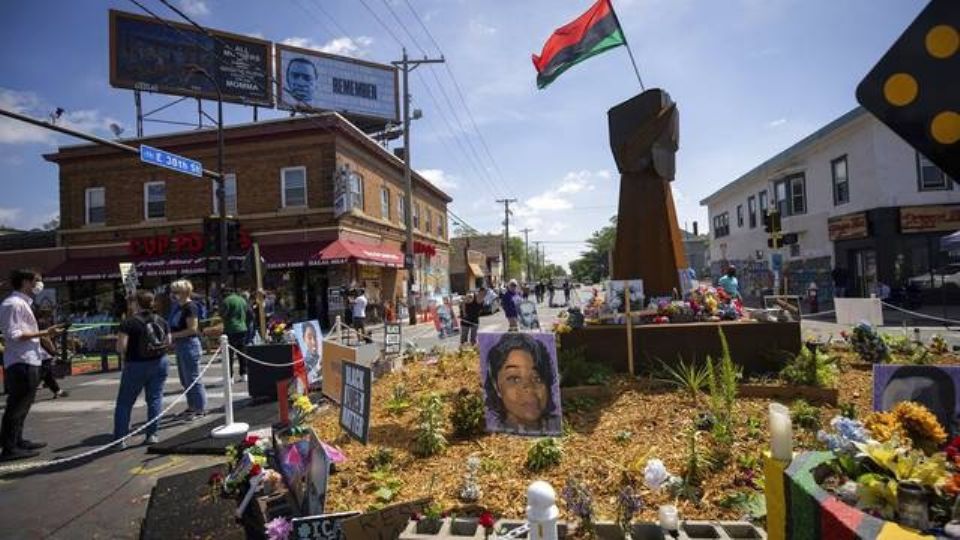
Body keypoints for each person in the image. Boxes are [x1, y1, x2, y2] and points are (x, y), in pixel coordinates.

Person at [0, 269, 65, 461]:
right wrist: (45, 333)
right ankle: (9, 447)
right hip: (21, 361)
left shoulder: (22, 304)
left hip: (30, 359)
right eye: (37, 281)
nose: (40, 285)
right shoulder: (12, 304)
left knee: (24, 405)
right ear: (25, 282)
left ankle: (18, 441)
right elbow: (15, 335)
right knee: (16, 406)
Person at [113, 291, 170, 447]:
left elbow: (120, 347)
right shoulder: (162, 320)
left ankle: (120, 439)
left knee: (124, 403)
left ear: (136, 304)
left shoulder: (129, 323)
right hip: (159, 362)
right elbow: (168, 341)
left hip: (135, 364)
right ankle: (152, 434)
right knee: (155, 399)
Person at [482, 332, 560, 436]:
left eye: (537, 378)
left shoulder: (556, 426)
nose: (528, 387)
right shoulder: (496, 434)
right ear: (496, 385)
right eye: (514, 379)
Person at [169, 279, 206, 420]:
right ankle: (192, 407)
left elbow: (192, 329)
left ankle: (200, 408)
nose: (173, 295)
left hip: (189, 344)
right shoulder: (177, 307)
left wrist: (172, 335)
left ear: (184, 292)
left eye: (176, 292)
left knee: (193, 378)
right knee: (185, 379)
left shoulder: (191, 307)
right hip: (180, 344)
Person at [220, 287, 248, 383]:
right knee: (242, 352)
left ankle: (230, 376)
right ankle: (244, 374)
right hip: (242, 327)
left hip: (231, 329)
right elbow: (247, 312)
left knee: (229, 354)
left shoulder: (226, 301)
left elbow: (224, 314)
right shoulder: (242, 299)